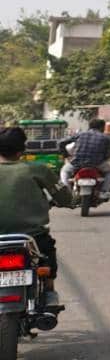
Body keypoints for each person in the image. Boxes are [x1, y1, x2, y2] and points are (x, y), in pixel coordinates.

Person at [0, 126, 71, 308]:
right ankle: (49, 293)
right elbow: (64, 197)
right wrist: (71, 201)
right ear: (22, 149)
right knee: (47, 257)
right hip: (32, 237)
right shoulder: (38, 169)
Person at [58, 118, 110, 200]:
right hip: (96, 163)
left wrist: (65, 155)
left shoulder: (80, 134)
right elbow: (108, 153)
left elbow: (61, 142)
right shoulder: (106, 138)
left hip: (77, 162)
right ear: (102, 127)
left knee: (64, 171)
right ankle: (104, 191)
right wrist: (104, 158)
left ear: (90, 126)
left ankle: (67, 192)